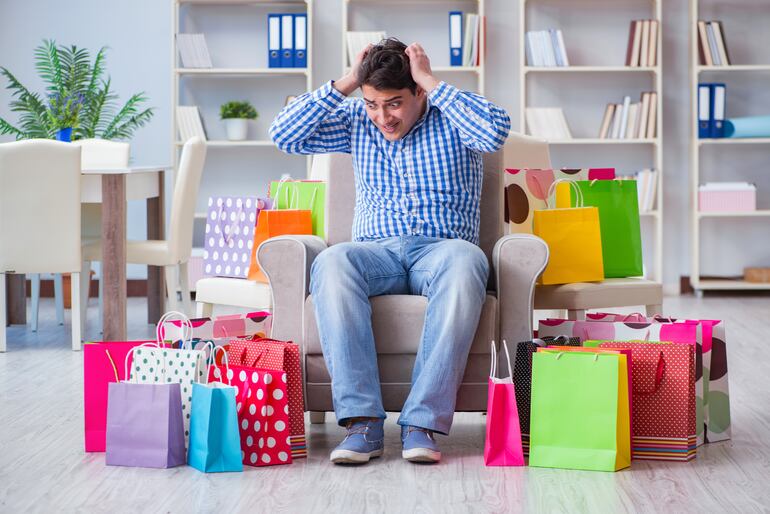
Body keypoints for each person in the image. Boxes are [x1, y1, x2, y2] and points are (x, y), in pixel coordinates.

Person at [270, 38, 511, 464]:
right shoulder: (356, 118)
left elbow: (494, 133)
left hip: (441, 251)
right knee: (331, 260)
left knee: (467, 261)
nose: (383, 117)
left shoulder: (452, 114)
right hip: (374, 254)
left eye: (394, 103)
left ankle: (422, 424)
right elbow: (284, 136)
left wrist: (432, 81)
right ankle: (362, 423)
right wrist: (348, 82)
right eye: (372, 104)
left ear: (419, 91)